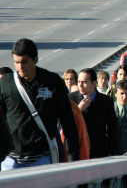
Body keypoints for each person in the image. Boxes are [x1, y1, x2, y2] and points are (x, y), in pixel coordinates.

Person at [0, 38, 79, 170]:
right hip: (11, 159)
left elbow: (68, 122)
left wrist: (73, 159)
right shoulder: (6, 84)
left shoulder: (52, 82)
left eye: (24, 62)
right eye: (16, 62)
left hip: (43, 158)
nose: (20, 67)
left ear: (35, 60)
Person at [69, 68, 118, 159]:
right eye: (79, 82)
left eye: (84, 82)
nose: (80, 85)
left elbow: (112, 128)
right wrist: (79, 110)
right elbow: (66, 124)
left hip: (99, 153)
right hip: (78, 152)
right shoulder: (71, 99)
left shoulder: (106, 101)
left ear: (94, 83)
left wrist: (111, 152)